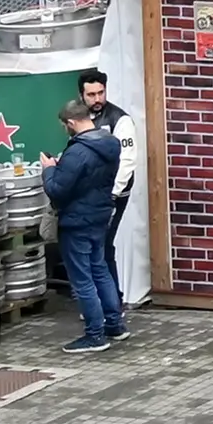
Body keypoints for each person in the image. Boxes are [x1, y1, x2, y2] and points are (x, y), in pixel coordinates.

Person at [41, 100, 125, 353]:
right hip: (100, 216)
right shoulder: (110, 143)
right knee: (100, 269)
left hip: (77, 220)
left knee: (82, 278)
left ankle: (95, 335)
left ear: (70, 123)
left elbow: (57, 189)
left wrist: (49, 170)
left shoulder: (77, 152)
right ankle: (115, 324)